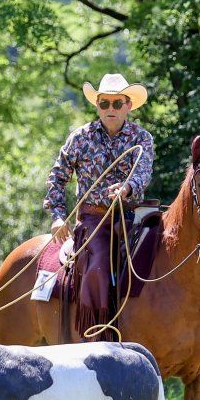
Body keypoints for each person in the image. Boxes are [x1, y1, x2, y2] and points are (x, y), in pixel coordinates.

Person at [44, 74, 154, 341]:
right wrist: (59, 216)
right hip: (95, 220)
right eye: (104, 103)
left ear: (129, 105)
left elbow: (143, 171)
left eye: (117, 104)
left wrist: (127, 188)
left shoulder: (142, 138)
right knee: (99, 265)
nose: (110, 109)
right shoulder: (80, 138)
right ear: (98, 106)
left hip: (134, 216)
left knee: (173, 250)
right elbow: (58, 177)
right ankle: (96, 336)